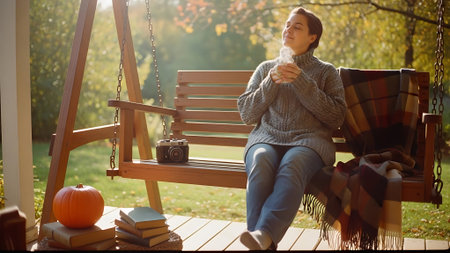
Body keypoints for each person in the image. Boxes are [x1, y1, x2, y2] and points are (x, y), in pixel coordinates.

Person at [237, 7, 347, 250]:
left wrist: (302, 82)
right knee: (261, 159)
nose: (289, 29)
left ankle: (262, 235)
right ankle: (263, 240)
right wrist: (270, 83)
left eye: (297, 26)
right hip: (266, 138)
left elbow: (337, 116)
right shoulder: (266, 68)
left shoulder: (326, 71)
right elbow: (246, 113)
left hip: (309, 143)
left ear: (312, 38)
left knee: (293, 162)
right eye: (287, 25)